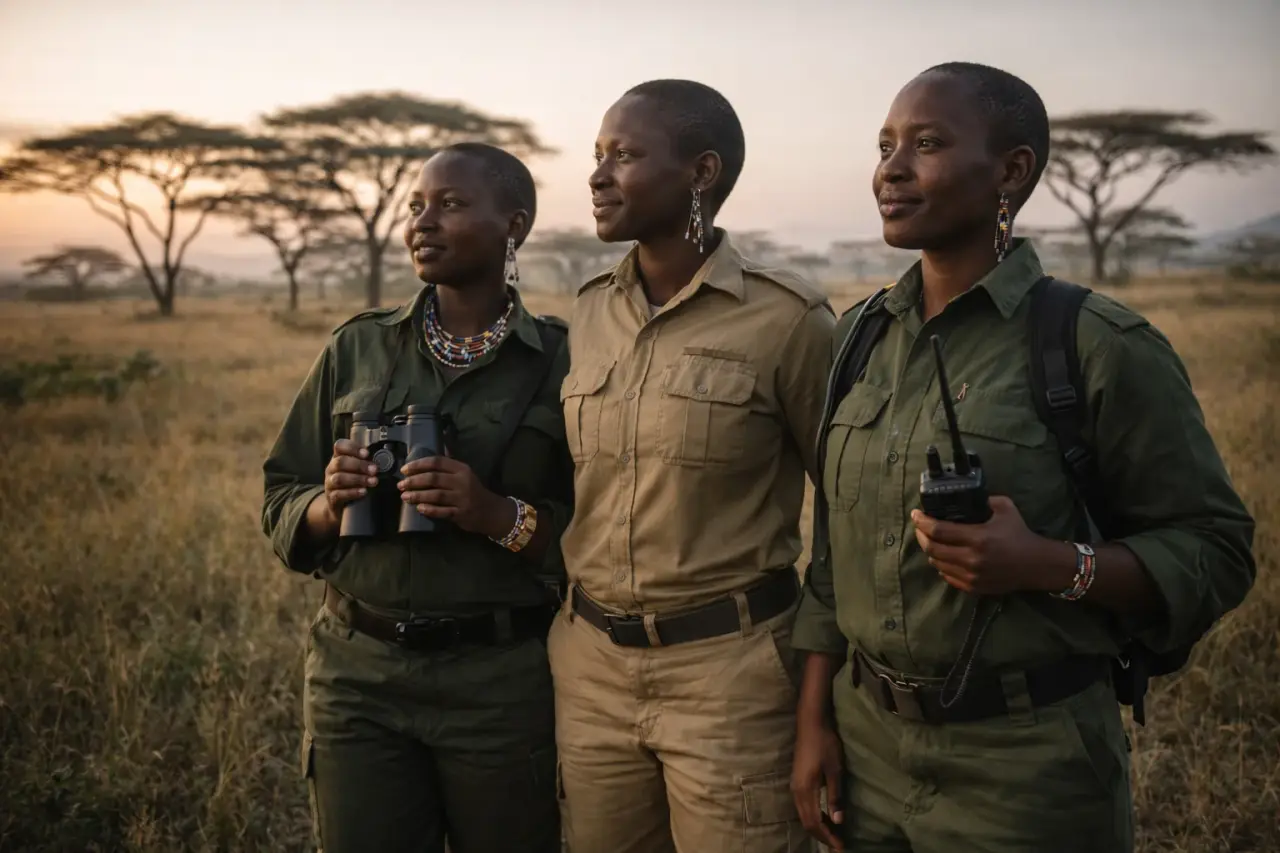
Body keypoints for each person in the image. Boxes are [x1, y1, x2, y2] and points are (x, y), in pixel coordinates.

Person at [789, 61, 1257, 853]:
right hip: (866, 754)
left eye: (927, 143)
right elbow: (833, 565)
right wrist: (812, 726)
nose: (890, 169)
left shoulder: (1095, 345)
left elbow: (1216, 552)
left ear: (1012, 171)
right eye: (885, 144)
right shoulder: (860, 337)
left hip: (1027, 768)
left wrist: (1048, 562)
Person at [546, 78, 836, 853]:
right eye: (597, 155)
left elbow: (845, 513)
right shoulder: (587, 311)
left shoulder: (788, 320)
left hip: (731, 678)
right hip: (591, 669)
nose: (598, 175)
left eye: (626, 155)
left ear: (701, 172)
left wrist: (816, 706)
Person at [260, 141, 573, 853]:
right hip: (357, 675)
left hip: (501, 683)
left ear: (514, 225)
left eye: (453, 204)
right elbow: (280, 493)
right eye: (416, 206)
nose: (422, 223)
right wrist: (329, 504)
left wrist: (496, 514)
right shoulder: (357, 348)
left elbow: (602, 530)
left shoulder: (563, 360)